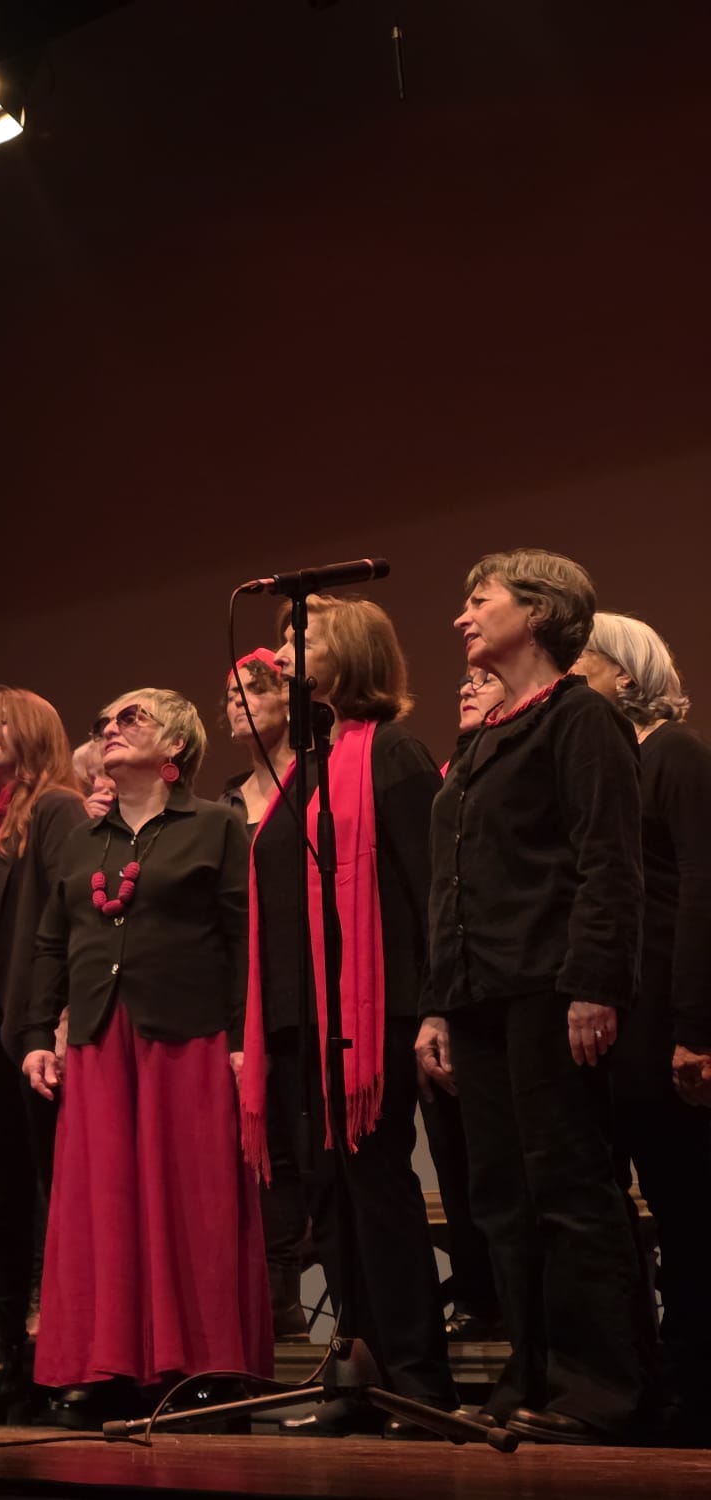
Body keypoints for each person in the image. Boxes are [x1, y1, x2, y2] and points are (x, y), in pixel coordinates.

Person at [417, 550, 660, 1444]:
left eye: (479, 600)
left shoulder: (581, 718)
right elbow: (454, 881)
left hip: (548, 990)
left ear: (540, 610)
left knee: (569, 1188)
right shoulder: (481, 737)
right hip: (479, 995)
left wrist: (594, 985)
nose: (461, 617)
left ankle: (602, 1391)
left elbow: (609, 864)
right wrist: (439, 1003)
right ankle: (529, 1375)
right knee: (501, 1200)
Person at [18, 688, 271, 1424]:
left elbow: (243, 938)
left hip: (188, 1040)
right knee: (103, 1204)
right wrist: (38, 1034)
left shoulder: (218, 828)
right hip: (100, 1041)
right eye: (105, 723)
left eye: (133, 719)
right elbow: (49, 944)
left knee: (193, 1200)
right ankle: (105, 1365)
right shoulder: (82, 842)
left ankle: (204, 1370)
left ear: (176, 749)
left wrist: (241, 1040)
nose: (111, 728)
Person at [242, 599, 457, 1436]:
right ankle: (359, 1366)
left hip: (374, 1012)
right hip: (301, 1015)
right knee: (328, 1196)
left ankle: (419, 1379)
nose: (286, 647)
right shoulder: (308, 759)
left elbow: (429, 887)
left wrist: (434, 1004)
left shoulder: (393, 751)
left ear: (354, 651)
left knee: (376, 1184)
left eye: (305, 636)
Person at [575, 612, 711, 1433]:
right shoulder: (608, 766)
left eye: (582, 664)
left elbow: (700, 893)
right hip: (615, 1028)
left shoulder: (677, 755)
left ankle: (699, 1383)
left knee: (691, 1210)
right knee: (610, 1214)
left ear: (625, 677)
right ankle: (638, 1372)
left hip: (669, 1026)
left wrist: (696, 1028)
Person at [0, 689, 87, 1424]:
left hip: (32, 1025)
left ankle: (60, 1355)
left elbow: (67, 917)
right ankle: (3, 1360)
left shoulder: (57, 809)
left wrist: (52, 1019)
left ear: (31, 734)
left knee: (46, 1189)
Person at [219, 650, 311, 1342]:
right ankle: (273, 1301)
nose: (236, 704)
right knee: (261, 1150)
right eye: (228, 694)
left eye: (249, 691)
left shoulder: (313, 781)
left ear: (286, 699)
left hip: (302, 988)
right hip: (240, 997)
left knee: (306, 1142)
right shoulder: (224, 802)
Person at [418, 671, 506, 1343]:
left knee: (507, 1169)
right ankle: (480, 1297)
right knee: (458, 1162)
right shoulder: (448, 775)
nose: (468, 687)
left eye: (486, 679)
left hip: (506, 993)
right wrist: (432, 1007)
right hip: (447, 992)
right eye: (465, 680)